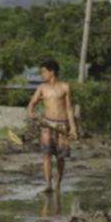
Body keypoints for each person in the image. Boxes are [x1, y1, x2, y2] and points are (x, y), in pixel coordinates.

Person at [26, 58, 78, 193]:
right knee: (46, 155)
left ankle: (58, 184)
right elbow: (32, 104)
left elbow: (69, 109)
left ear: (52, 72)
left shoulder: (65, 87)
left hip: (62, 126)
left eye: (44, 72)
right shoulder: (42, 88)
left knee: (60, 157)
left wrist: (73, 128)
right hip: (47, 125)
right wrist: (31, 113)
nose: (42, 75)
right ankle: (48, 184)